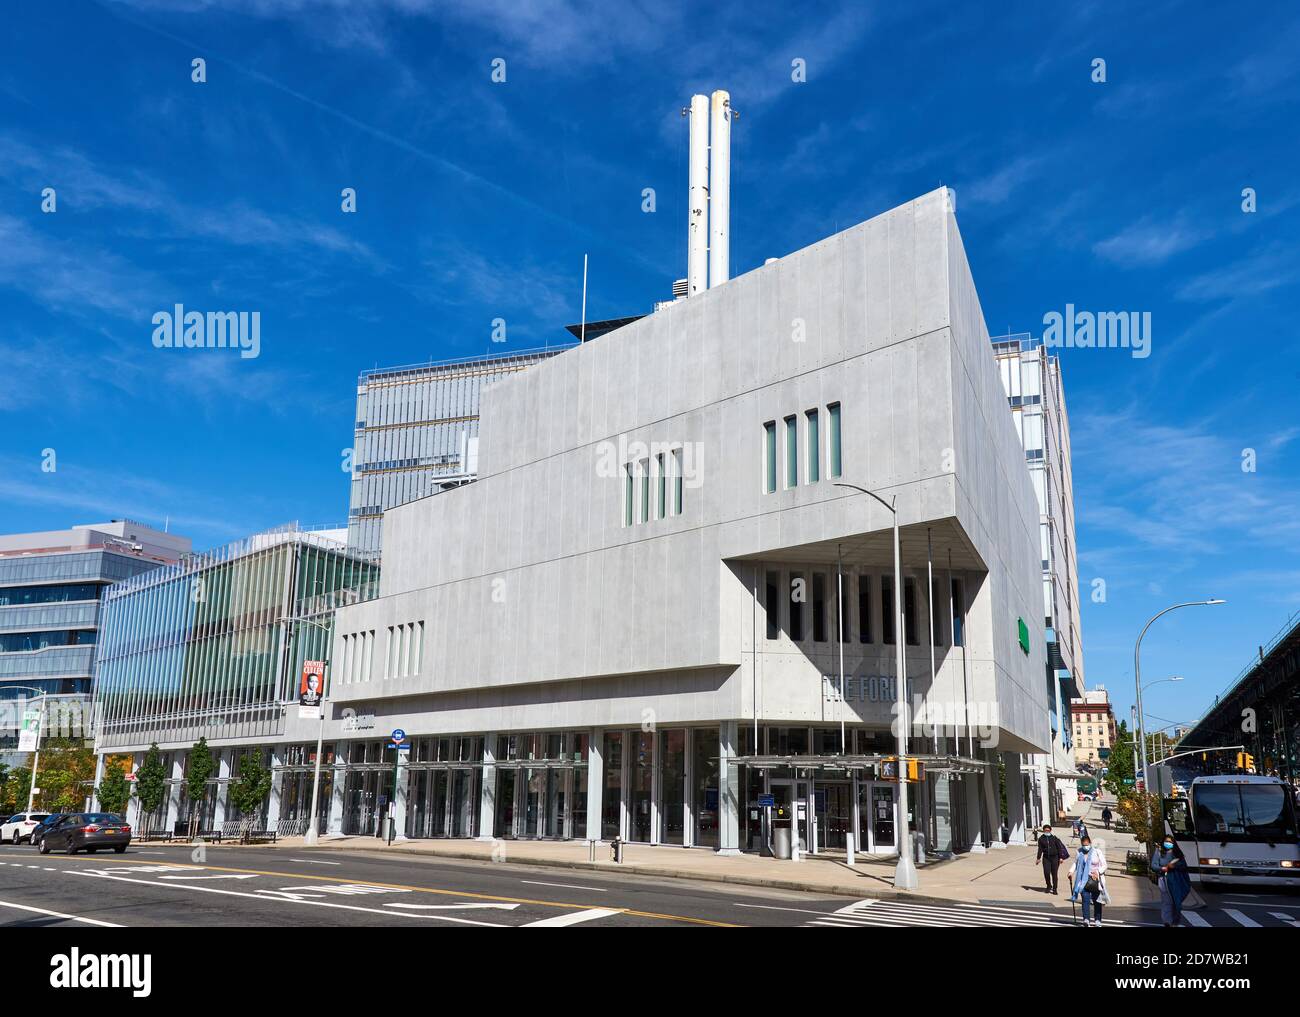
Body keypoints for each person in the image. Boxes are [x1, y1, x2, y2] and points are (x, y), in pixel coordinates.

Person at [1151, 836, 1191, 927]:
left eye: (1170, 842)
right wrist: (1162, 868)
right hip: (1164, 880)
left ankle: (1174, 921)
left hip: (1176, 880)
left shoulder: (1177, 854)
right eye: (1166, 842)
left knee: (1176, 902)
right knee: (1167, 901)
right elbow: (1153, 865)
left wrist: (1174, 866)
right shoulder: (1159, 852)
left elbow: (1183, 866)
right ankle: (1167, 922)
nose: (1168, 844)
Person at [1070, 834, 1109, 926]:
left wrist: (1098, 872)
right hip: (1083, 880)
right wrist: (1071, 871)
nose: (1085, 846)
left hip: (1095, 879)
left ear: (1090, 843)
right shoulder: (1079, 852)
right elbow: (1076, 863)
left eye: (1087, 844)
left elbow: (1104, 865)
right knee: (1085, 900)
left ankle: (1097, 920)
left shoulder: (1097, 852)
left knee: (1097, 901)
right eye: (1083, 844)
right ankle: (1086, 919)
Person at [1035, 824, 1067, 894]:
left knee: (1054, 874)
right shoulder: (1041, 839)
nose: (1047, 831)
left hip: (1055, 858)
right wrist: (1038, 858)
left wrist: (1061, 857)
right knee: (1046, 872)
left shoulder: (1054, 838)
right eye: (1045, 830)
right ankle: (1049, 886)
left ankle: (1055, 889)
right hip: (1046, 858)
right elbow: (1040, 849)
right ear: (1043, 831)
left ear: (1050, 830)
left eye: (1048, 830)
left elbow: (1059, 848)